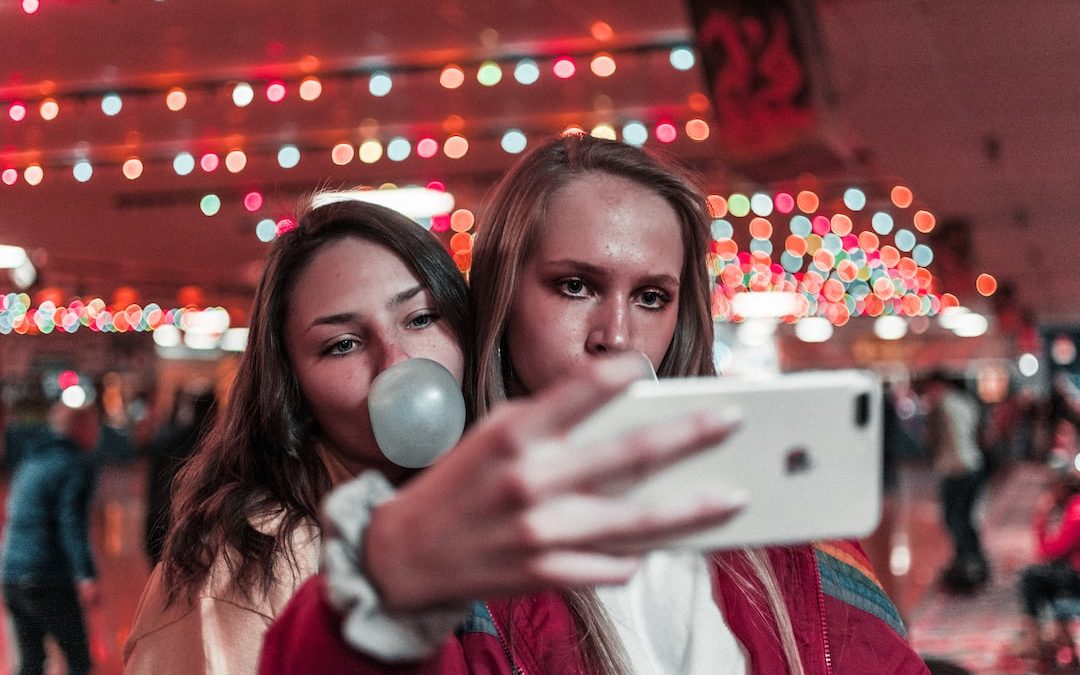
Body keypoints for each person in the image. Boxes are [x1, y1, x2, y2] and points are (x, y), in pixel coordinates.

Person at [260, 135, 927, 674]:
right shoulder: (461, 536)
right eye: (575, 285)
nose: (616, 334)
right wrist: (387, 588)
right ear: (503, 299)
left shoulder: (778, 516)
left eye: (651, 297)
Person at [123, 197, 474, 673]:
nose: (397, 362)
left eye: (420, 318)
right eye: (342, 344)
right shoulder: (249, 562)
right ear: (291, 388)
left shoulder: (481, 517)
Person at [1, 401, 100, 675]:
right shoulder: (74, 465)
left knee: (31, 661)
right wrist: (87, 574)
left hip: (11, 572)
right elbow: (71, 523)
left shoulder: (32, 458)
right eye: (94, 425)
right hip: (46, 575)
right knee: (78, 658)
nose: (97, 433)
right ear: (80, 427)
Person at [1014, 418, 1080, 662]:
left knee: (1033, 576)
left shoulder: (1076, 512)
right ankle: (1054, 633)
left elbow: (1049, 550)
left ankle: (1038, 636)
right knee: (1044, 574)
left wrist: (1041, 519)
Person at [922, 370, 989, 593]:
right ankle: (975, 560)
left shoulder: (942, 406)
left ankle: (968, 564)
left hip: (956, 468)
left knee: (955, 519)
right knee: (964, 518)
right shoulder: (964, 401)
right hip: (973, 464)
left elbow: (936, 439)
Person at [143, 386, 217, 564]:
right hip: (191, 534)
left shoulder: (166, 440)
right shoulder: (213, 449)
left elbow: (154, 489)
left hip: (163, 527)